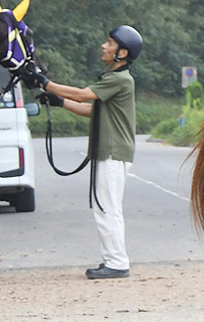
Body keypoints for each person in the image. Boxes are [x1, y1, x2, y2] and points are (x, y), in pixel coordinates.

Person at [22, 26, 142, 279]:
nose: (103, 45)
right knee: (106, 208)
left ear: (122, 52)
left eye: (110, 43)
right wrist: (59, 101)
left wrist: (46, 83)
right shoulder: (113, 79)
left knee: (107, 209)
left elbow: (82, 94)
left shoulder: (119, 79)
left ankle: (117, 263)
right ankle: (114, 259)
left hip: (112, 152)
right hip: (109, 152)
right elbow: (92, 110)